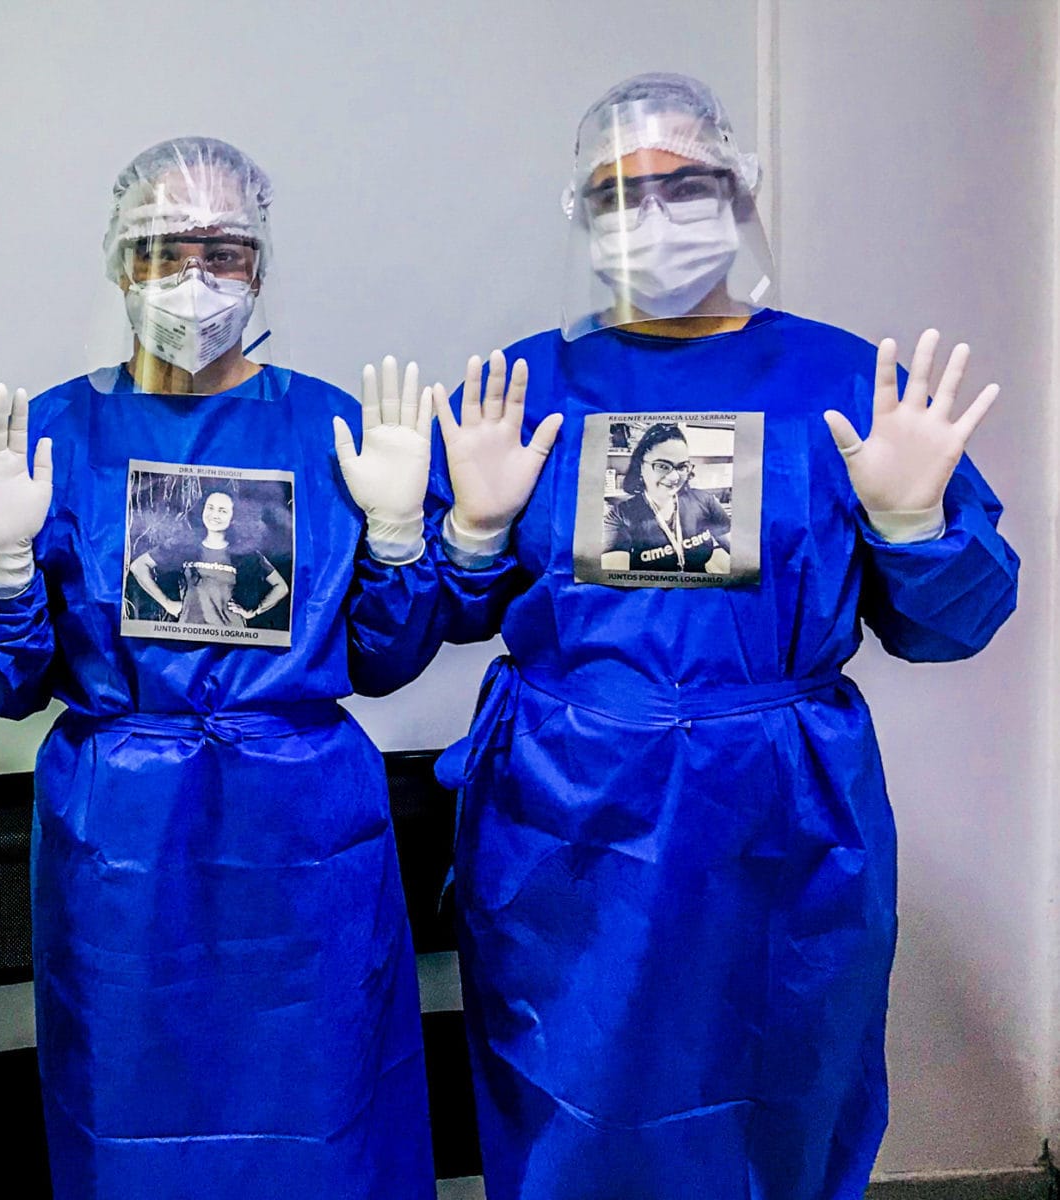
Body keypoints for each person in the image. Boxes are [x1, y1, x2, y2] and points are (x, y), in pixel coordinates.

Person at [418, 73, 1018, 1200]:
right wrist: (465, 528)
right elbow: (437, 620)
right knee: (568, 1096)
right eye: (617, 193)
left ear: (739, 194)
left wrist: (913, 525)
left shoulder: (844, 382)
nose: (653, 214)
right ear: (580, 216)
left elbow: (955, 626)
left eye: (686, 184)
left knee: (780, 1084)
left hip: (777, 820)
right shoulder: (525, 389)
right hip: (564, 823)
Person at [0, 137, 439, 1199]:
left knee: (322, 1091)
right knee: (129, 1093)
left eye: (223, 250)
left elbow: (389, 660)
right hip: (122, 825)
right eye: (163, 250)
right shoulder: (48, 437)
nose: (194, 277)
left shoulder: (332, 430)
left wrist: (399, 541)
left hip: (303, 822)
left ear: (260, 267)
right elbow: (3, 685)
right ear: (119, 266)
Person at [127, 489, 289, 625]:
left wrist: (255, 611)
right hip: (189, 634)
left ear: (233, 518)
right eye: (210, 508)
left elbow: (281, 587)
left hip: (232, 637)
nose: (214, 515)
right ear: (202, 511)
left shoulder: (247, 554)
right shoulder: (183, 545)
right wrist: (167, 604)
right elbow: (138, 566)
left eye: (222, 511)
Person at [600, 421, 732, 573]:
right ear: (641, 466)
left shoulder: (705, 501)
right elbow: (614, 576)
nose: (674, 477)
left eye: (682, 466)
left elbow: (741, 556)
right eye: (662, 466)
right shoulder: (620, 516)